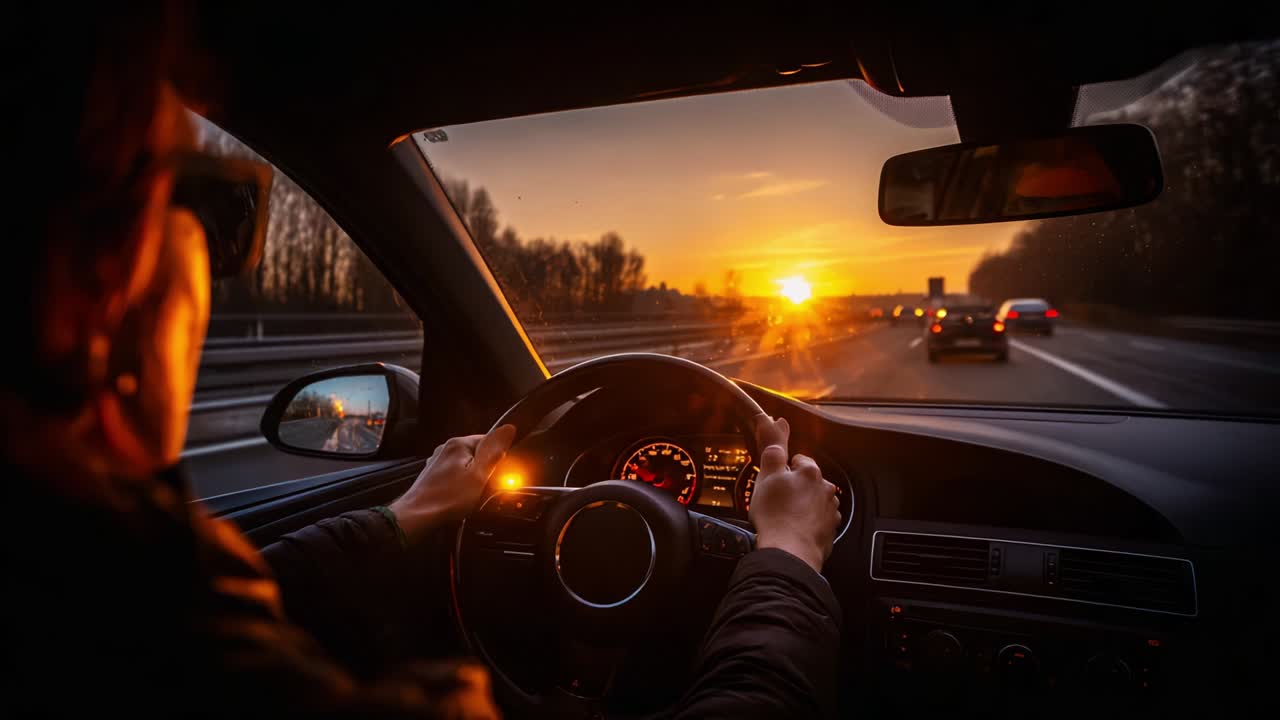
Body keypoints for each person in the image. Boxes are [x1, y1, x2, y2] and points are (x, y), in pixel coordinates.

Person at [6, 4, 842, 716]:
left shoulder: (102, 599)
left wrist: (404, 518)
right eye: (206, 207)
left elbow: (260, 591)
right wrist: (788, 556)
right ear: (95, 278)